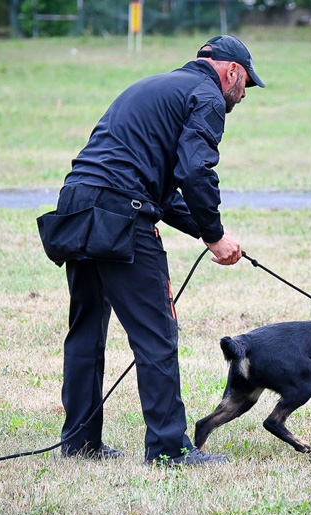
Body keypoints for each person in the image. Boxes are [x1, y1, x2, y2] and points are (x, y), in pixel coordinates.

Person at [48, 35, 264, 466]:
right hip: (120, 214)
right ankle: (169, 449)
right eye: (245, 87)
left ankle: (79, 442)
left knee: (86, 333)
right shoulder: (207, 96)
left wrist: (209, 235)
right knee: (157, 335)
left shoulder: (156, 87)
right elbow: (194, 169)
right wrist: (215, 233)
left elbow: (159, 188)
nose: (242, 96)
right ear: (232, 72)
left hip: (76, 206)